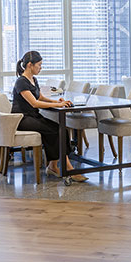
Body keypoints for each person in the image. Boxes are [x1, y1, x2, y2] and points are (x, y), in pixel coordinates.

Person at [12, 51, 88, 182]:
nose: (41, 68)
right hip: (22, 119)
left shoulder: (33, 79)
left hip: (33, 116)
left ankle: (53, 166)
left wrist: (57, 101)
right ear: (30, 65)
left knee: (61, 129)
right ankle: (68, 169)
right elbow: (34, 103)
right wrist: (58, 105)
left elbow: (40, 97)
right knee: (55, 130)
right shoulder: (21, 82)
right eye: (39, 65)